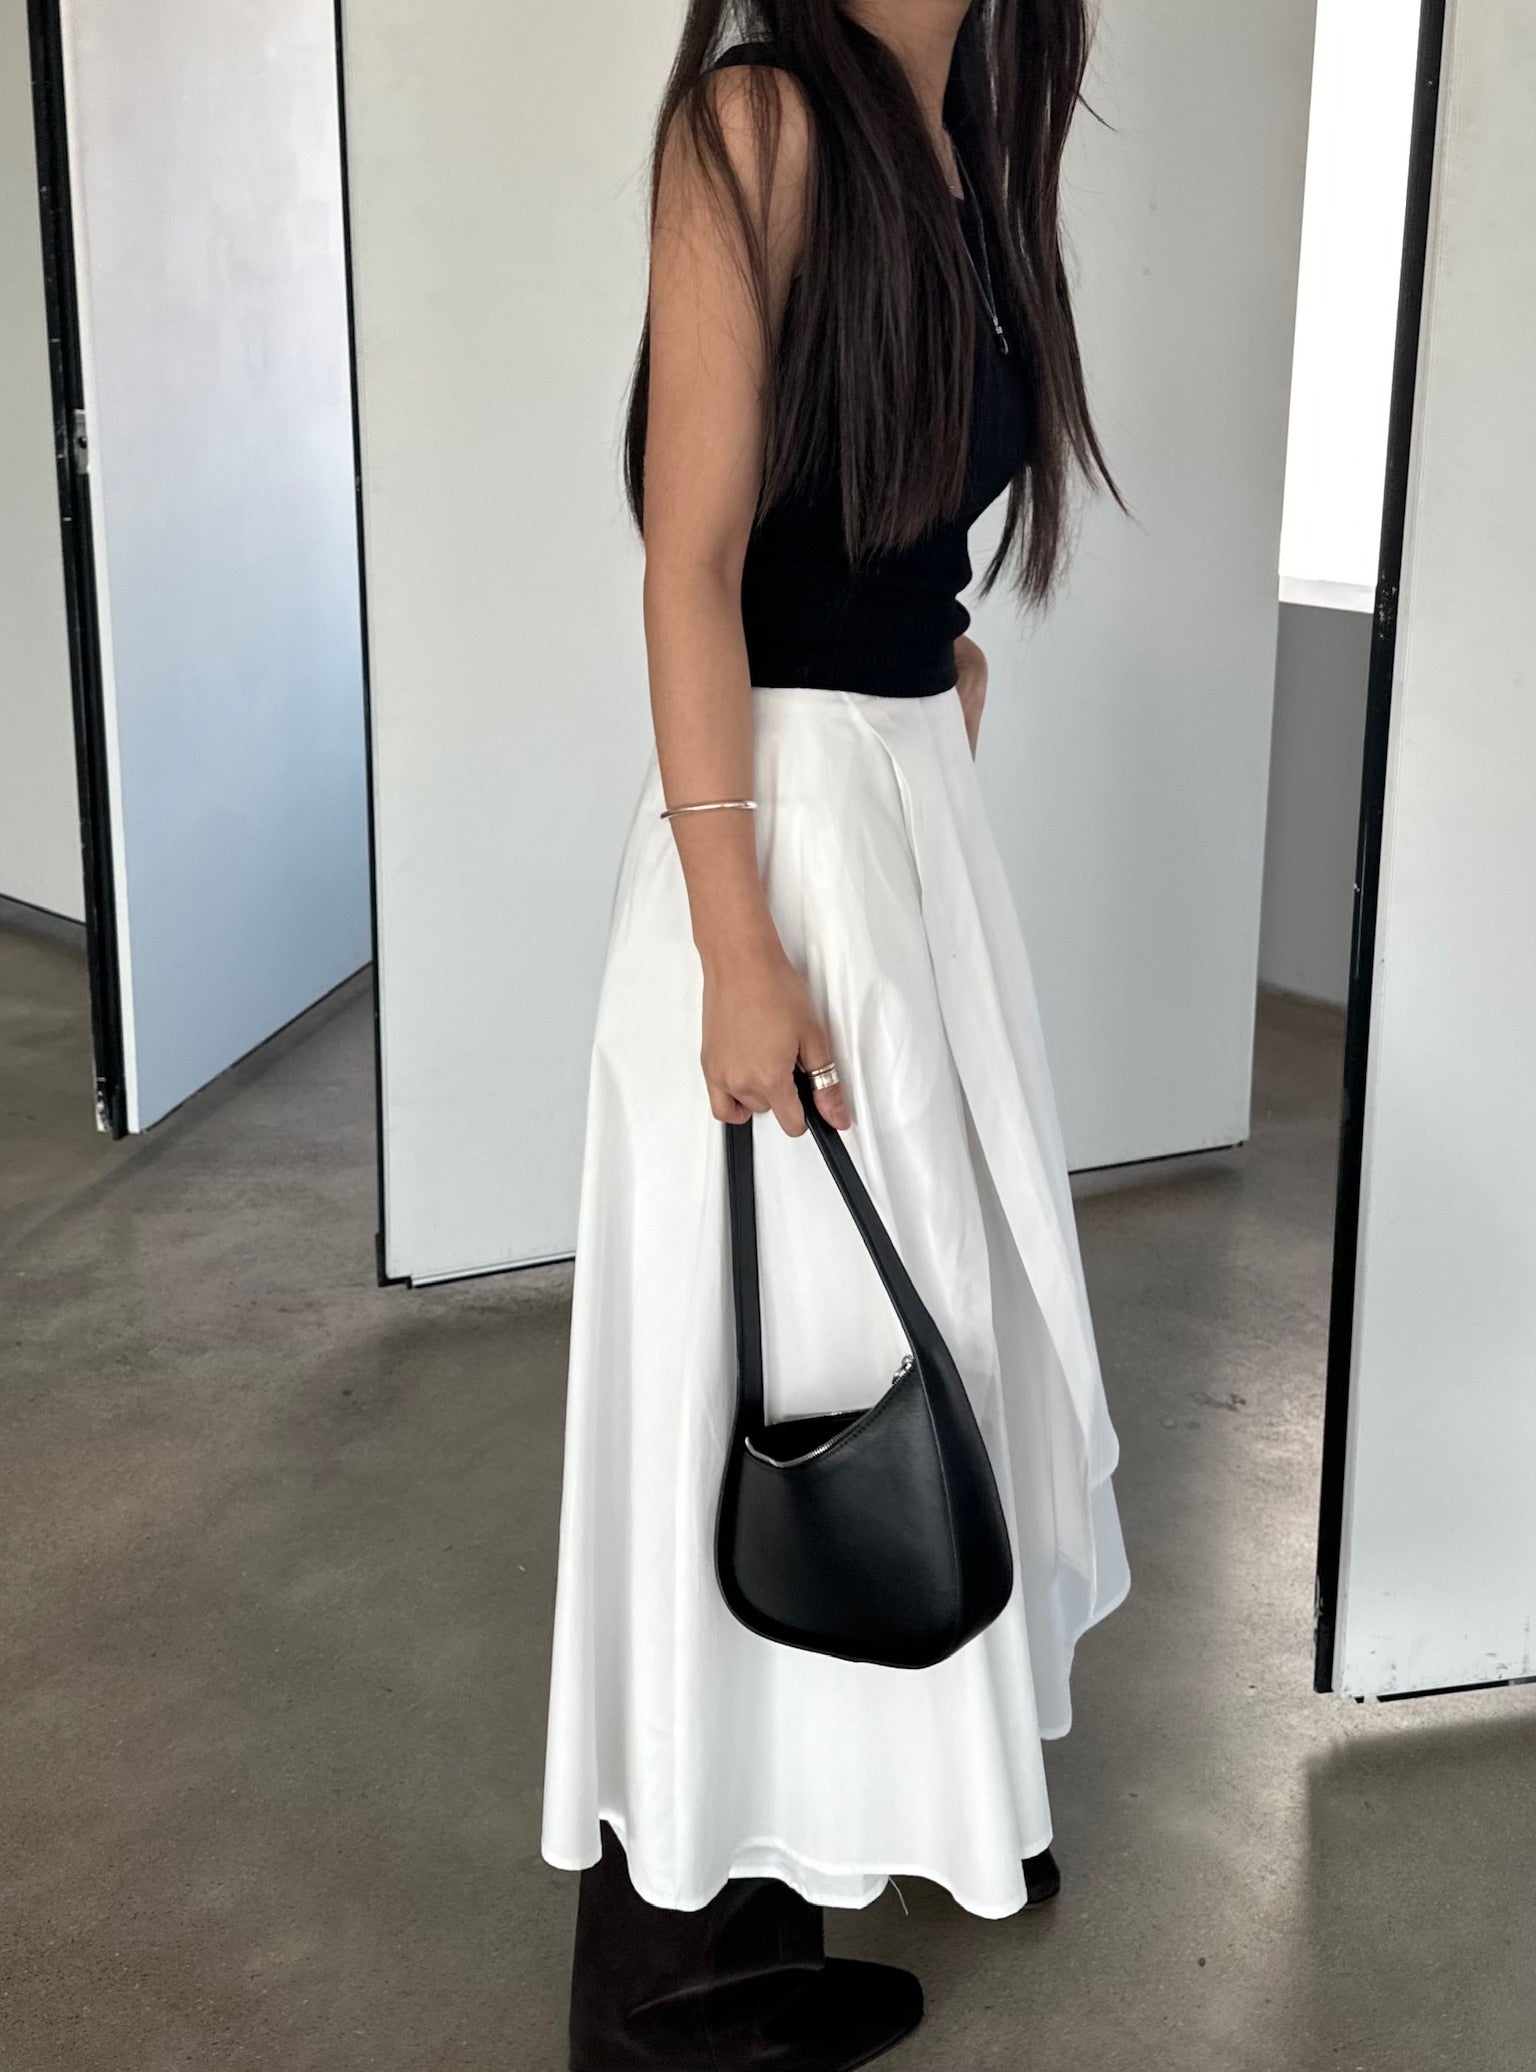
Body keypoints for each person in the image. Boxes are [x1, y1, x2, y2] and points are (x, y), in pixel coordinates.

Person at [542, 3, 1129, 2064]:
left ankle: (796, 1876)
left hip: (893, 837)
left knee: (898, 1342)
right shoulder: (761, 121)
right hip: (777, 851)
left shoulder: (954, 135)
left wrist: (927, 659)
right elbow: (692, 561)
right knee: (778, 1371)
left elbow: (869, 512)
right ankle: (663, 1998)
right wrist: (736, 938)